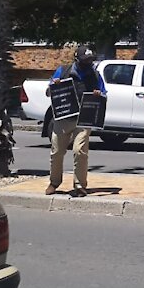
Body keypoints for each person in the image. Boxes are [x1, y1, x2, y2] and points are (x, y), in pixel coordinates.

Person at [46, 45, 106, 197]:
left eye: (90, 60)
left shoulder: (95, 75)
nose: (88, 63)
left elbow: (104, 94)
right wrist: (55, 84)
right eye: (85, 60)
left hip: (84, 119)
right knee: (57, 151)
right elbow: (49, 92)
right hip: (64, 117)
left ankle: (80, 185)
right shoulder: (64, 70)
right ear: (77, 59)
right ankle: (54, 182)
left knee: (80, 151)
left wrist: (99, 94)